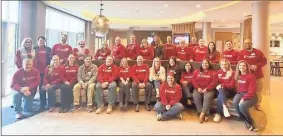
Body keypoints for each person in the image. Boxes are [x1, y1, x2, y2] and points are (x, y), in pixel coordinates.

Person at [237, 39, 267, 111]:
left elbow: (264, 61)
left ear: (252, 43)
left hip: (258, 75)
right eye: (245, 43)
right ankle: (249, 102)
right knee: (248, 90)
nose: (247, 45)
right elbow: (239, 62)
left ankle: (258, 104)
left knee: (258, 90)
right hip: (246, 76)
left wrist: (257, 66)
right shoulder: (241, 53)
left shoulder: (258, 52)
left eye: (249, 43)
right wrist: (249, 66)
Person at [233, 60, 258, 132]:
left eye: (244, 65)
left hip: (250, 95)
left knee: (242, 106)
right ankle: (245, 120)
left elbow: (252, 91)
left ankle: (251, 121)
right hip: (240, 93)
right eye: (240, 66)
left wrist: (244, 98)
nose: (242, 67)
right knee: (235, 103)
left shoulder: (251, 76)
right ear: (238, 67)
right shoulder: (237, 75)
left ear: (247, 67)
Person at [192, 59, 217, 123]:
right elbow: (193, 80)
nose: (204, 65)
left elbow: (214, 82)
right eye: (203, 63)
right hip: (198, 88)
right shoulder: (196, 71)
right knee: (196, 96)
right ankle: (202, 113)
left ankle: (203, 114)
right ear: (201, 64)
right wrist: (197, 88)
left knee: (207, 97)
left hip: (209, 89)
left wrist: (207, 89)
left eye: (206, 63)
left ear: (209, 64)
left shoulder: (213, 72)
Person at [33, 36, 52, 110]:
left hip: (45, 71)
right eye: (40, 40)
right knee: (34, 87)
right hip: (36, 71)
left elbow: (51, 58)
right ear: (38, 41)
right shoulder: (34, 49)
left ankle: (42, 104)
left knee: (42, 87)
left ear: (45, 41)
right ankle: (29, 102)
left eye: (43, 40)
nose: (41, 42)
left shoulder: (48, 49)